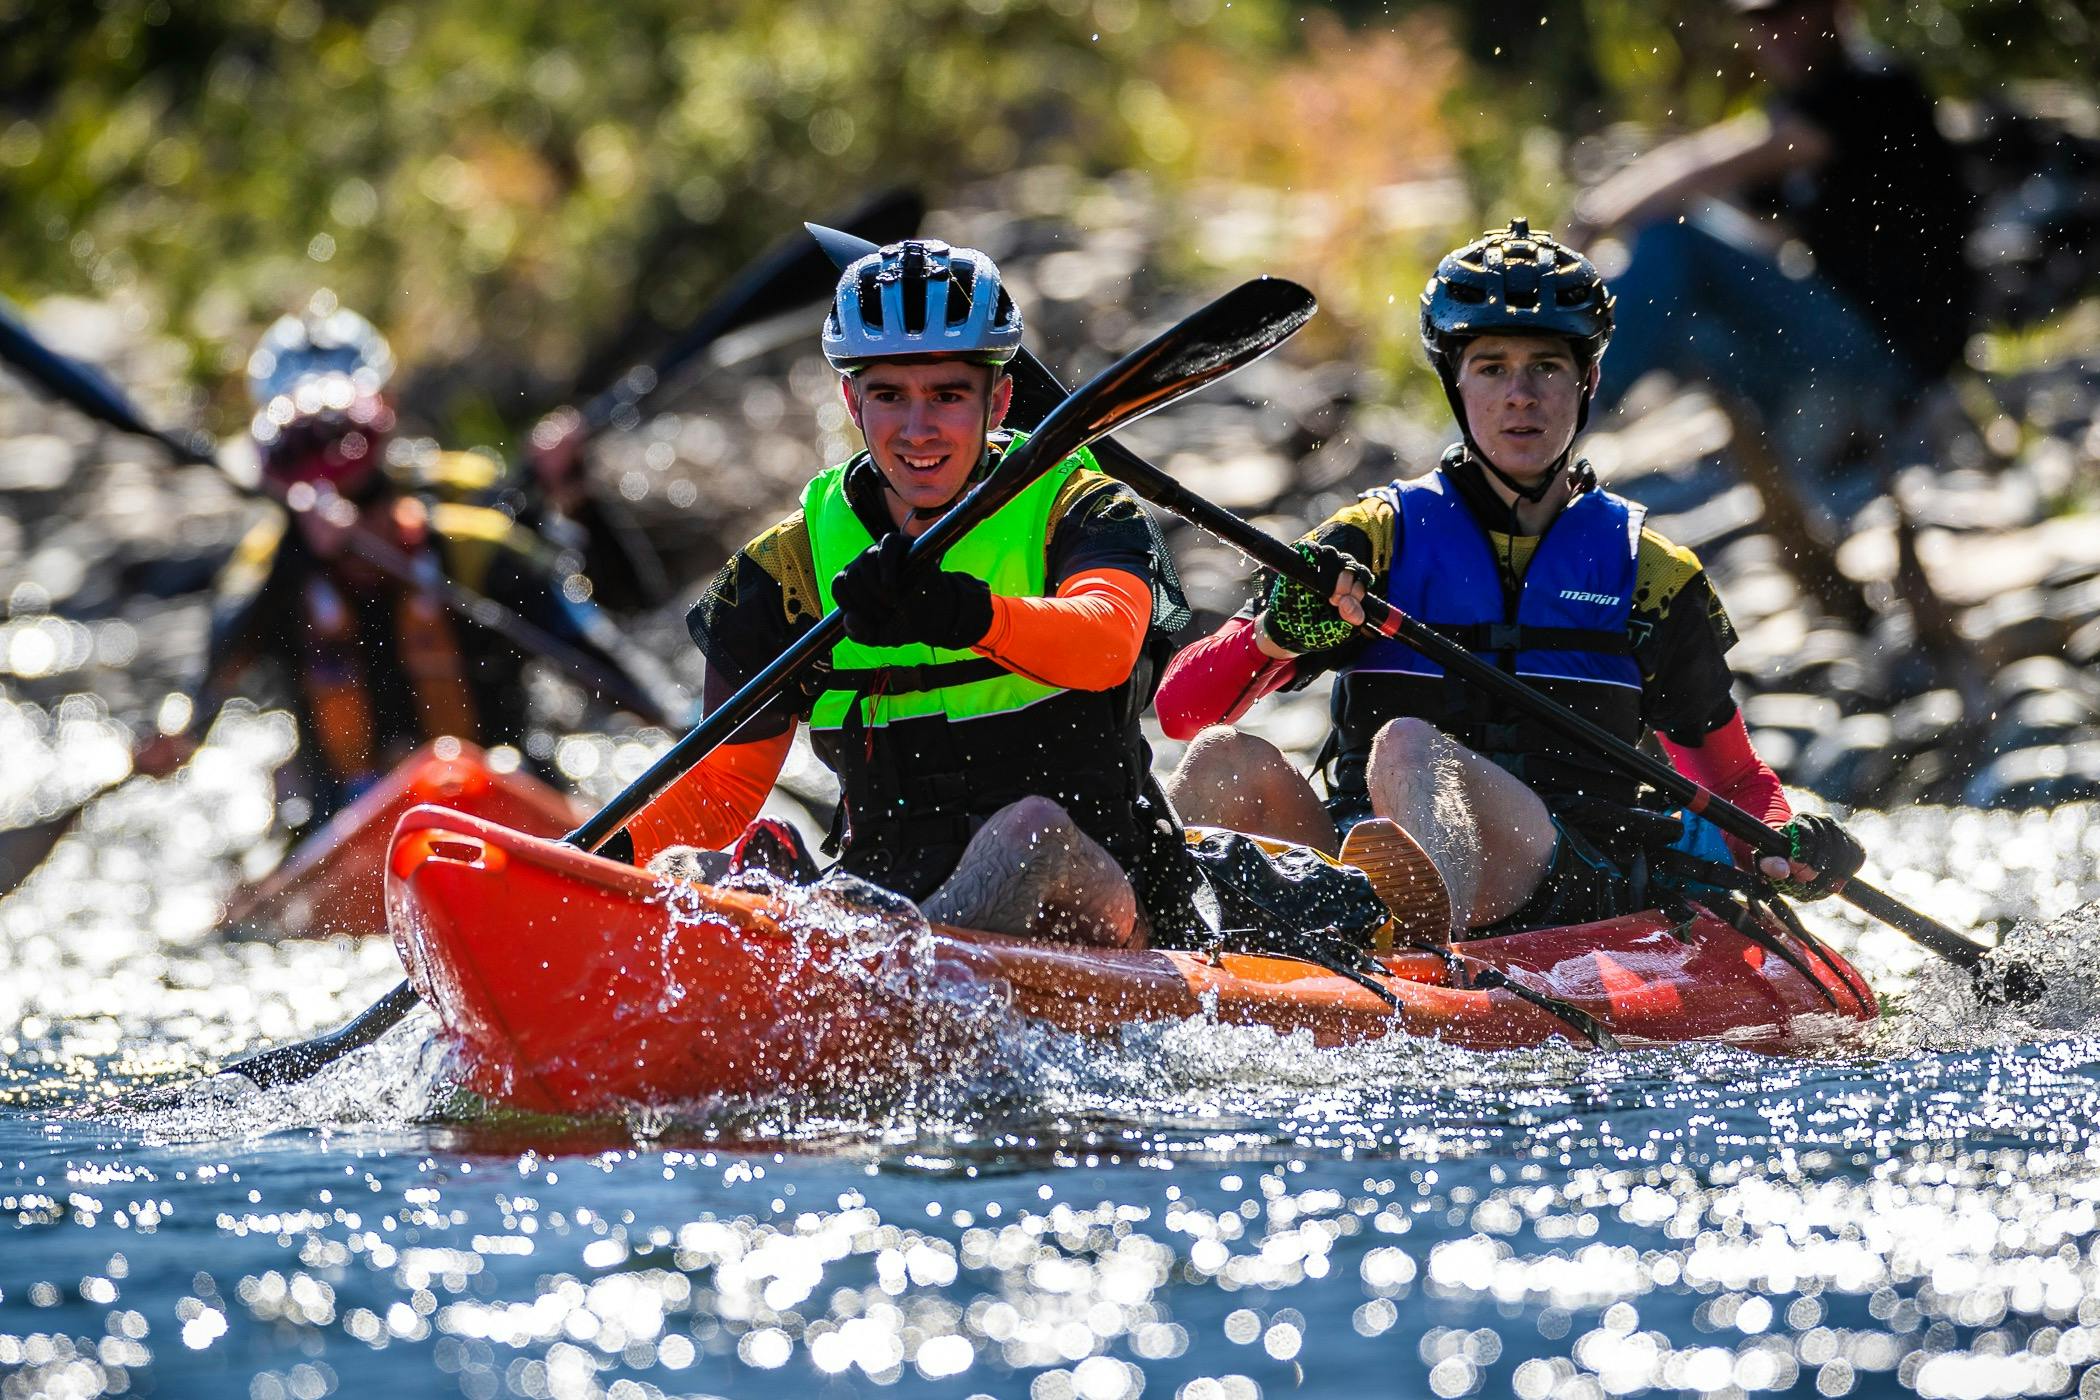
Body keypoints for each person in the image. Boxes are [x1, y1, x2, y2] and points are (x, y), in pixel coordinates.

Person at [1157, 220, 1864, 938]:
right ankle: (1181, 951)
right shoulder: (1368, 544)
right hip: (1360, 870)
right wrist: (1272, 637)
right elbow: (1183, 712)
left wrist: (1794, 839)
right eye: (1492, 368)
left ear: (1588, 380)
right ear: (1455, 384)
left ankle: (1427, 960)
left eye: (1546, 368)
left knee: (1408, 746)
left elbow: (1733, 782)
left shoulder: (1652, 577)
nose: (1520, 395)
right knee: (1221, 760)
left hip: (1569, 879)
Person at [615, 238, 1200, 949]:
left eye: (948, 395)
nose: (918, 430)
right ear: (852, 401)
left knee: (1030, 832)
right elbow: (720, 792)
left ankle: (880, 968)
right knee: (690, 871)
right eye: (890, 396)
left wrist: (963, 613)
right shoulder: (786, 572)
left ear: (999, 400)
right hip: (885, 907)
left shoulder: (1077, 509)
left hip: (1104, 908)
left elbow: (1107, 642)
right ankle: (864, 958)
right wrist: (592, 860)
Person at [136, 300, 653, 832]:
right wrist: (173, 735)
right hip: (350, 814)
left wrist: (576, 499)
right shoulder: (271, 572)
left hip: (503, 785)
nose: (345, 513)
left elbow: (625, 613)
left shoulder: (475, 532)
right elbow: (202, 699)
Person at [1566, 0, 1972, 475]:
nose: (1776, 32)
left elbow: (1713, 163)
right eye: (1760, 20)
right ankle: (1532, 425)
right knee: (1677, 313)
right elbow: (1745, 211)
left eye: (1789, 12)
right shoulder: (1800, 106)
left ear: (1835, 10)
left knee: (1673, 240)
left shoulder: (1871, 88)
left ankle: (1556, 413)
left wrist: (1595, 217)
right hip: (1834, 353)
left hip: (1886, 360)